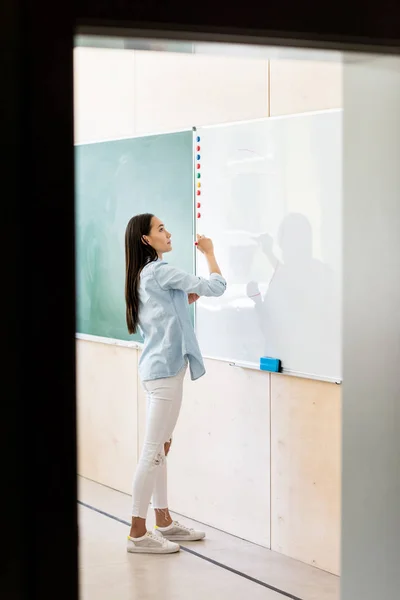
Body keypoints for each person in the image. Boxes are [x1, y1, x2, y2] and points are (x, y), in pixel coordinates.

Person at [124, 213, 226, 554]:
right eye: (160, 229)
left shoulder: (144, 275)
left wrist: (183, 300)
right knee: (153, 450)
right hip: (165, 374)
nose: (168, 233)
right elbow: (217, 287)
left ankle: (163, 521)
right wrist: (210, 252)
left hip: (158, 370)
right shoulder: (161, 271)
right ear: (146, 240)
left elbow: (166, 312)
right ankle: (138, 532)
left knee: (161, 448)